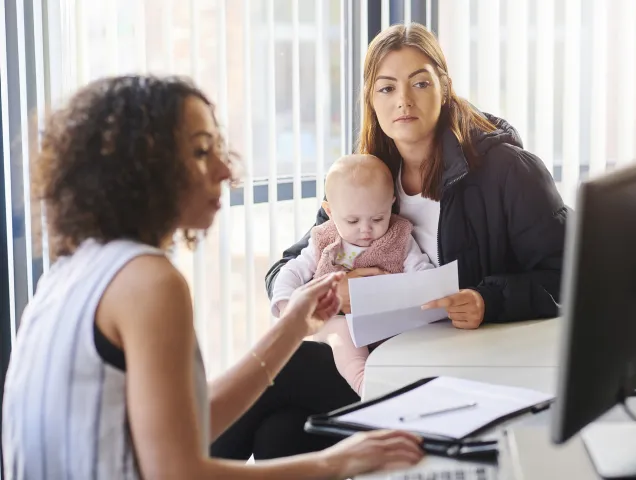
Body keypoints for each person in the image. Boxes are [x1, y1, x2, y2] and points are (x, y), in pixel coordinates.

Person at [1, 75, 424, 479]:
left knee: (282, 430)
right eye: (202, 152)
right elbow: (177, 472)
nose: (226, 169)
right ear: (144, 169)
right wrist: (337, 462)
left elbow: (187, 424)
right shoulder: (148, 282)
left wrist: (295, 324)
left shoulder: (73, 272)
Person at [214, 22, 568, 461]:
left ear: (445, 86)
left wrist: (486, 300)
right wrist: (331, 295)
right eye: (386, 88)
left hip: (458, 370)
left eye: (420, 82)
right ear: (371, 100)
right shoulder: (370, 174)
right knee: (281, 435)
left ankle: (170, 467)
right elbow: (295, 261)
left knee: (283, 372)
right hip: (382, 360)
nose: (403, 100)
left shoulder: (507, 172)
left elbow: (570, 276)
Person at [270, 154, 434, 394]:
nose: (366, 230)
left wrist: (426, 291)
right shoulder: (324, 239)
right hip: (335, 323)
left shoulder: (400, 237)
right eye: (353, 220)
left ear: (392, 203)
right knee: (342, 331)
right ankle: (363, 384)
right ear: (330, 211)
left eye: (378, 218)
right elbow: (291, 271)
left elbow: (421, 272)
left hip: (386, 325)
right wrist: (287, 308)